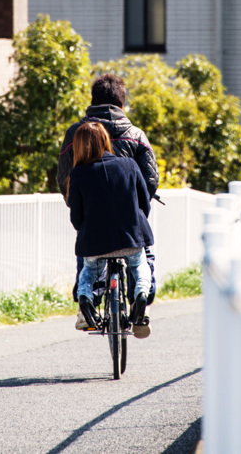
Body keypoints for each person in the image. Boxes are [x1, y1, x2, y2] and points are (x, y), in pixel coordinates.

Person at [58, 73, 159, 332]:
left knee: (87, 258)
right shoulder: (136, 134)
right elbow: (149, 179)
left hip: (92, 218)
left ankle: (84, 309)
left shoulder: (75, 133)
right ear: (122, 104)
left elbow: (64, 178)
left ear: (92, 101)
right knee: (142, 256)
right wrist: (138, 210)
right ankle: (142, 305)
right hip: (129, 221)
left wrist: (82, 208)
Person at [67, 121, 153, 338]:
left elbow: (76, 218)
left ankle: (86, 299)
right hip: (130, 238)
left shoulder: (77, 175)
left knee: (89, 271)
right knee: (139, 265)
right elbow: (145, 203)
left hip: (95, 243)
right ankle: (142, 293)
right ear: (105, 140)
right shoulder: (129, 165)